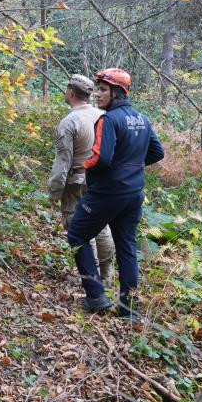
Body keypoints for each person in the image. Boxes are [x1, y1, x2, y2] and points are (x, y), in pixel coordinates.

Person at [66, 68, 164, 319]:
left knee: (77, 232)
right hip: (134, 193)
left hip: (108, 192)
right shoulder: (142, 119)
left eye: (103, 89)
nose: (98, 95)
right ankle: (129, 309)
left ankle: (96, 296)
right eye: (98, 89)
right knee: (127, 245)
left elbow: (101, 159)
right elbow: (157, 152)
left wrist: (85, 167)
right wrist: (132, 165)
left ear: (117, 93)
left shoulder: (108, 120)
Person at [48, 74, 115, 282]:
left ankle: (90, 277)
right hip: (101, 181)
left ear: (71, 92)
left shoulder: (69, 122)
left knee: (79, 227)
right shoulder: (102, 116)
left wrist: (55, 190)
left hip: (77, 182)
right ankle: (107, 275)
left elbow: (63, 161)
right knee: (102, 225)